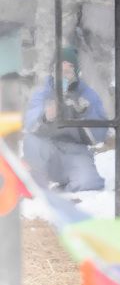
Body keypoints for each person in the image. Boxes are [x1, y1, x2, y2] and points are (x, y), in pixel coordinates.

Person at [23, 46, 107, 191]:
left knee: (89, 184)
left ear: (76, 72)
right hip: (47, 151)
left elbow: (100, 135)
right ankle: (34, 187)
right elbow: (28, 124)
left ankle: (66, 190)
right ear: (52, 71)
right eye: (59, 69)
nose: (64, 74)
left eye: (69, 69)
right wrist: (45, 116)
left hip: (74, 151)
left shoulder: (88, 94)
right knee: (31, 141)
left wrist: (84, 115)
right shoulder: (42, 93)